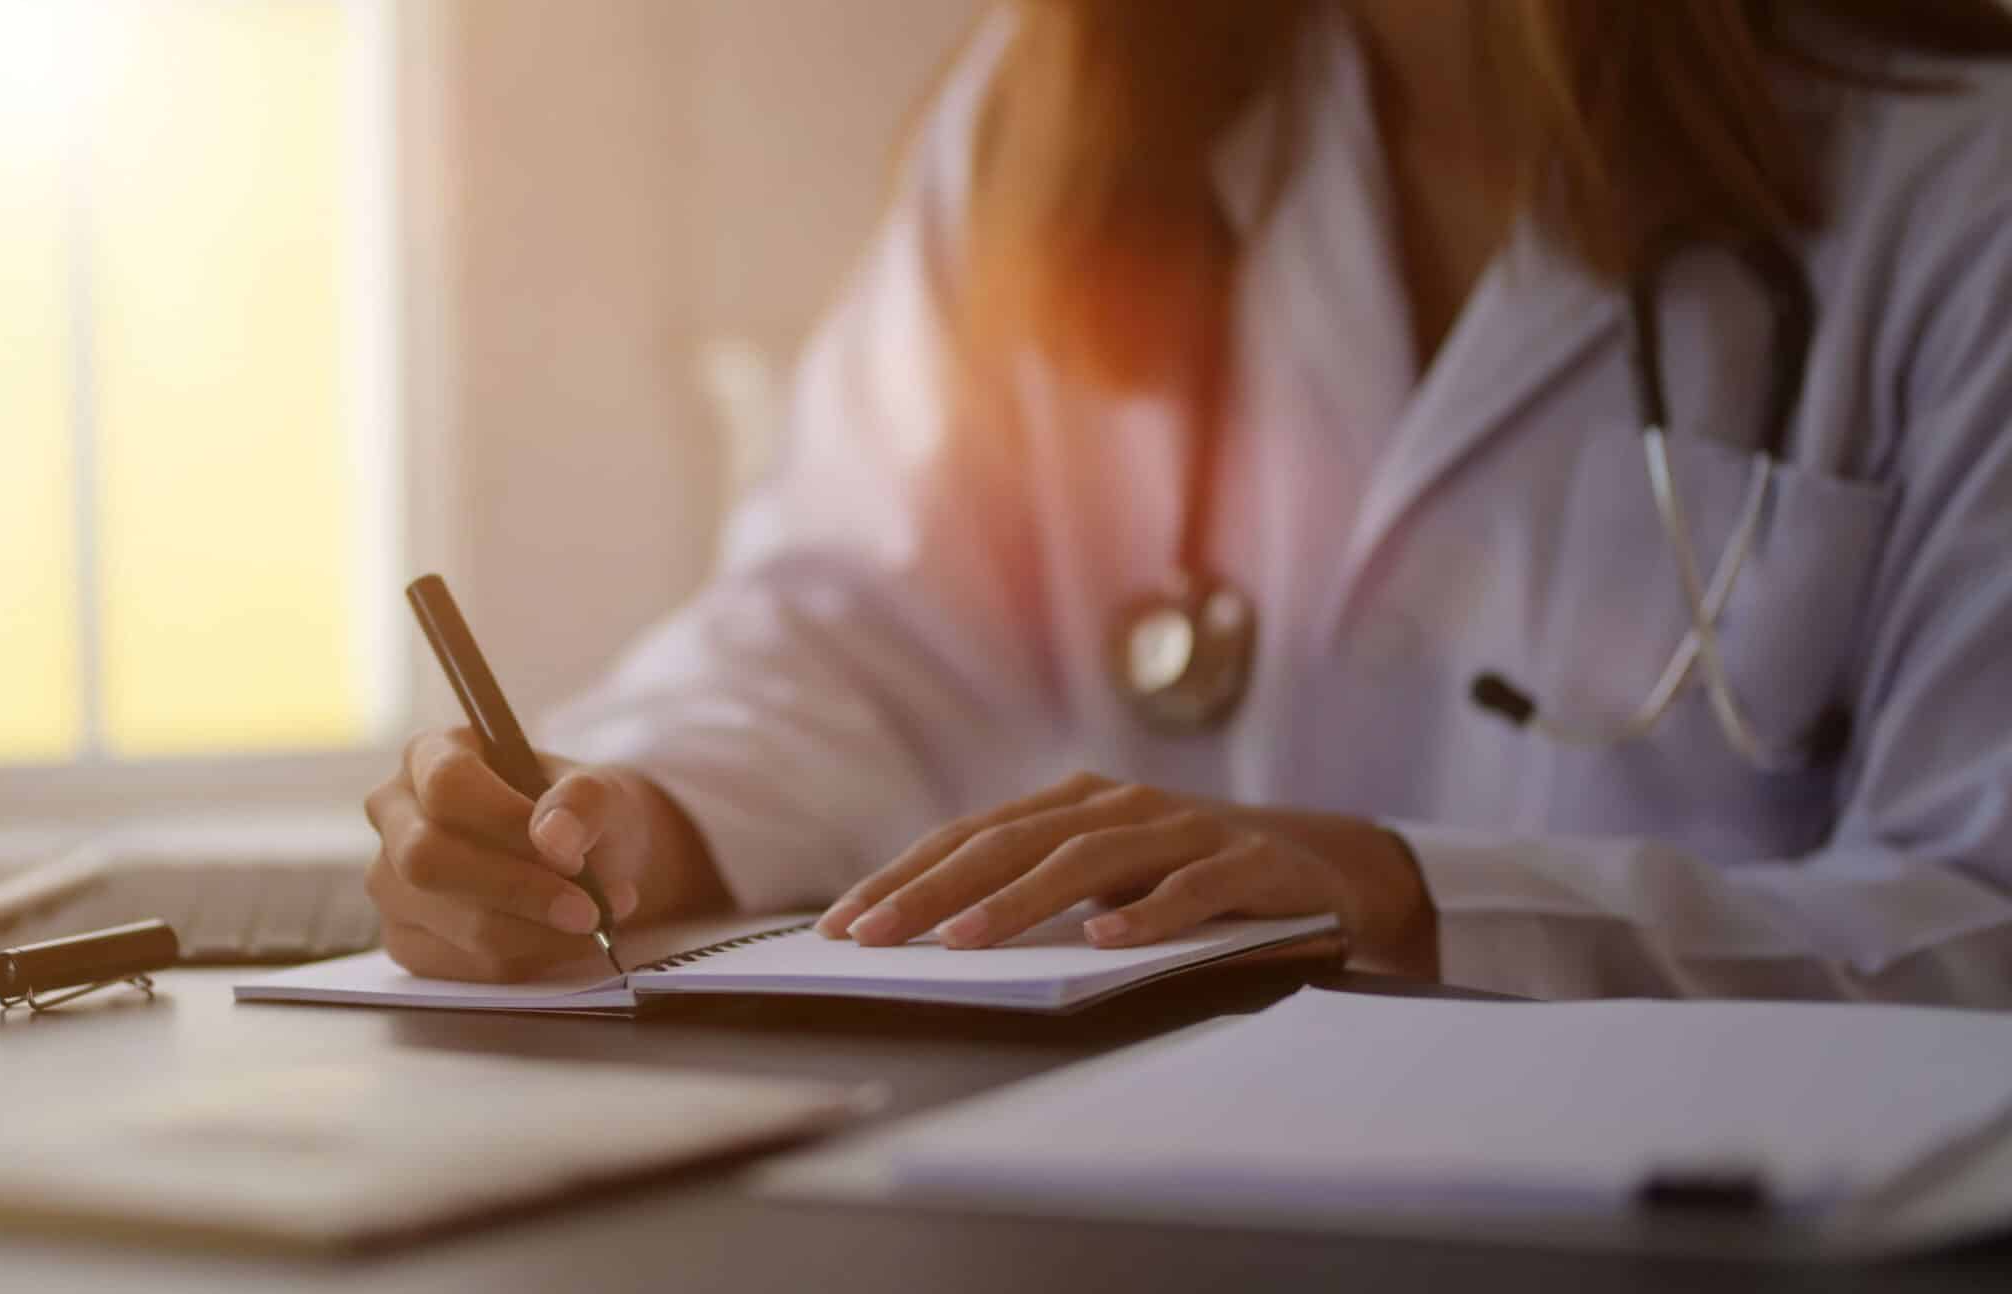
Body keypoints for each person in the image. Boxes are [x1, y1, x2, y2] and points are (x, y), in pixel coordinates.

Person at [362, 0, 2012, 1001]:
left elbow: (1979, 926)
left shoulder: (1955, 181)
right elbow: (845, 622)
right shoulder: (1059, 123)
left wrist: (1400, 889)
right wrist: (624, 814)